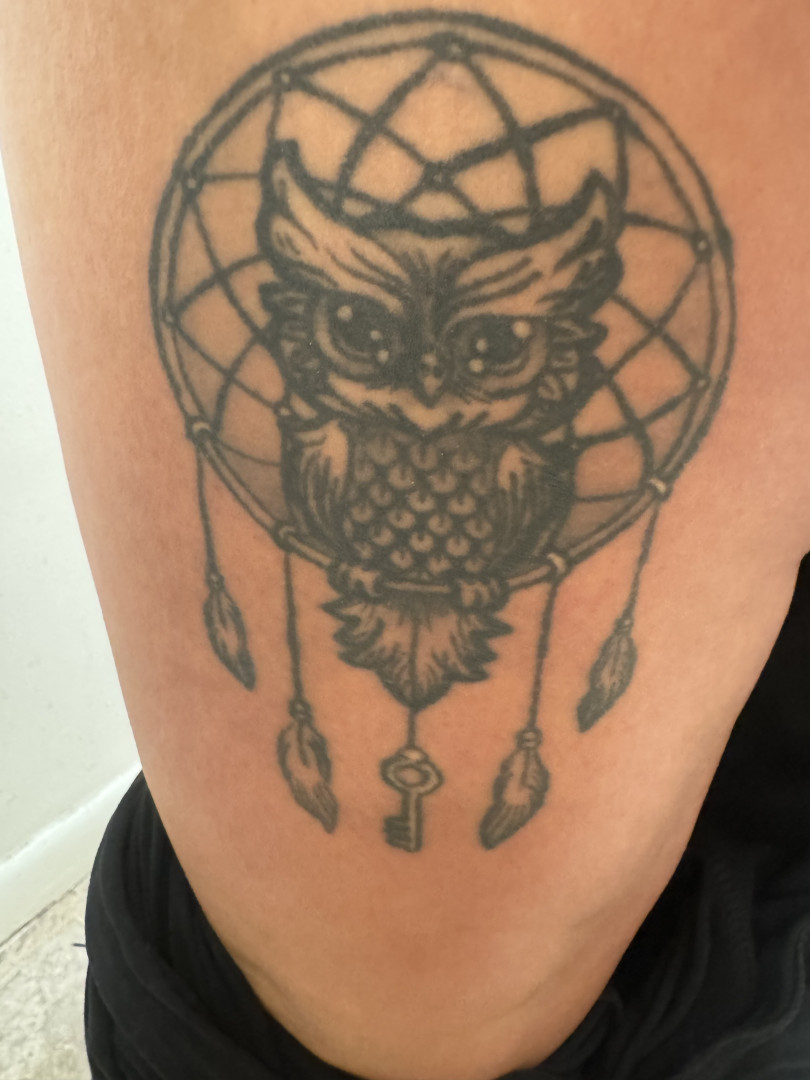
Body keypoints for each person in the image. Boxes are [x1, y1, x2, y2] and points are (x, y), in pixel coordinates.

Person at [1, 3, 809, 1078]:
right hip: (579, 997)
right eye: (361, 328)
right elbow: (420, 1003)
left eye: (488, 346)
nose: (427, 390)